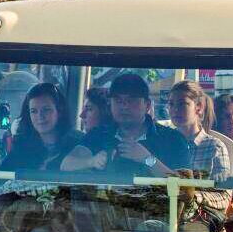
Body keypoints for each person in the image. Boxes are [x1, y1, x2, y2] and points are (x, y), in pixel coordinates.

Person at [60, 71, 193, 175]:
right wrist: (91, 161)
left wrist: (147, 159)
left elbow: (185, 189)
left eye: (132, 100)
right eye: (118, 100)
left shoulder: (172, 139)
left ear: (147, 105)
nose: (124, 106)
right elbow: (66, 164)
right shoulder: (98, 135)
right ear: (110, 104)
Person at [1, 82, 79, 175]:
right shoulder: (21, 149)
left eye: (46, 109)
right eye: (34, 111)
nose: (40, 116)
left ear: (60, 111)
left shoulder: (78, 144)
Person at [166, 80, 233, 181]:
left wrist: (196, 196)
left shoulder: (214, 147)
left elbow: (224, 191)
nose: (175, 109)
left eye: (182, 104)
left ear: (199, 107)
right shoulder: (164, 142)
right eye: (171, 104)